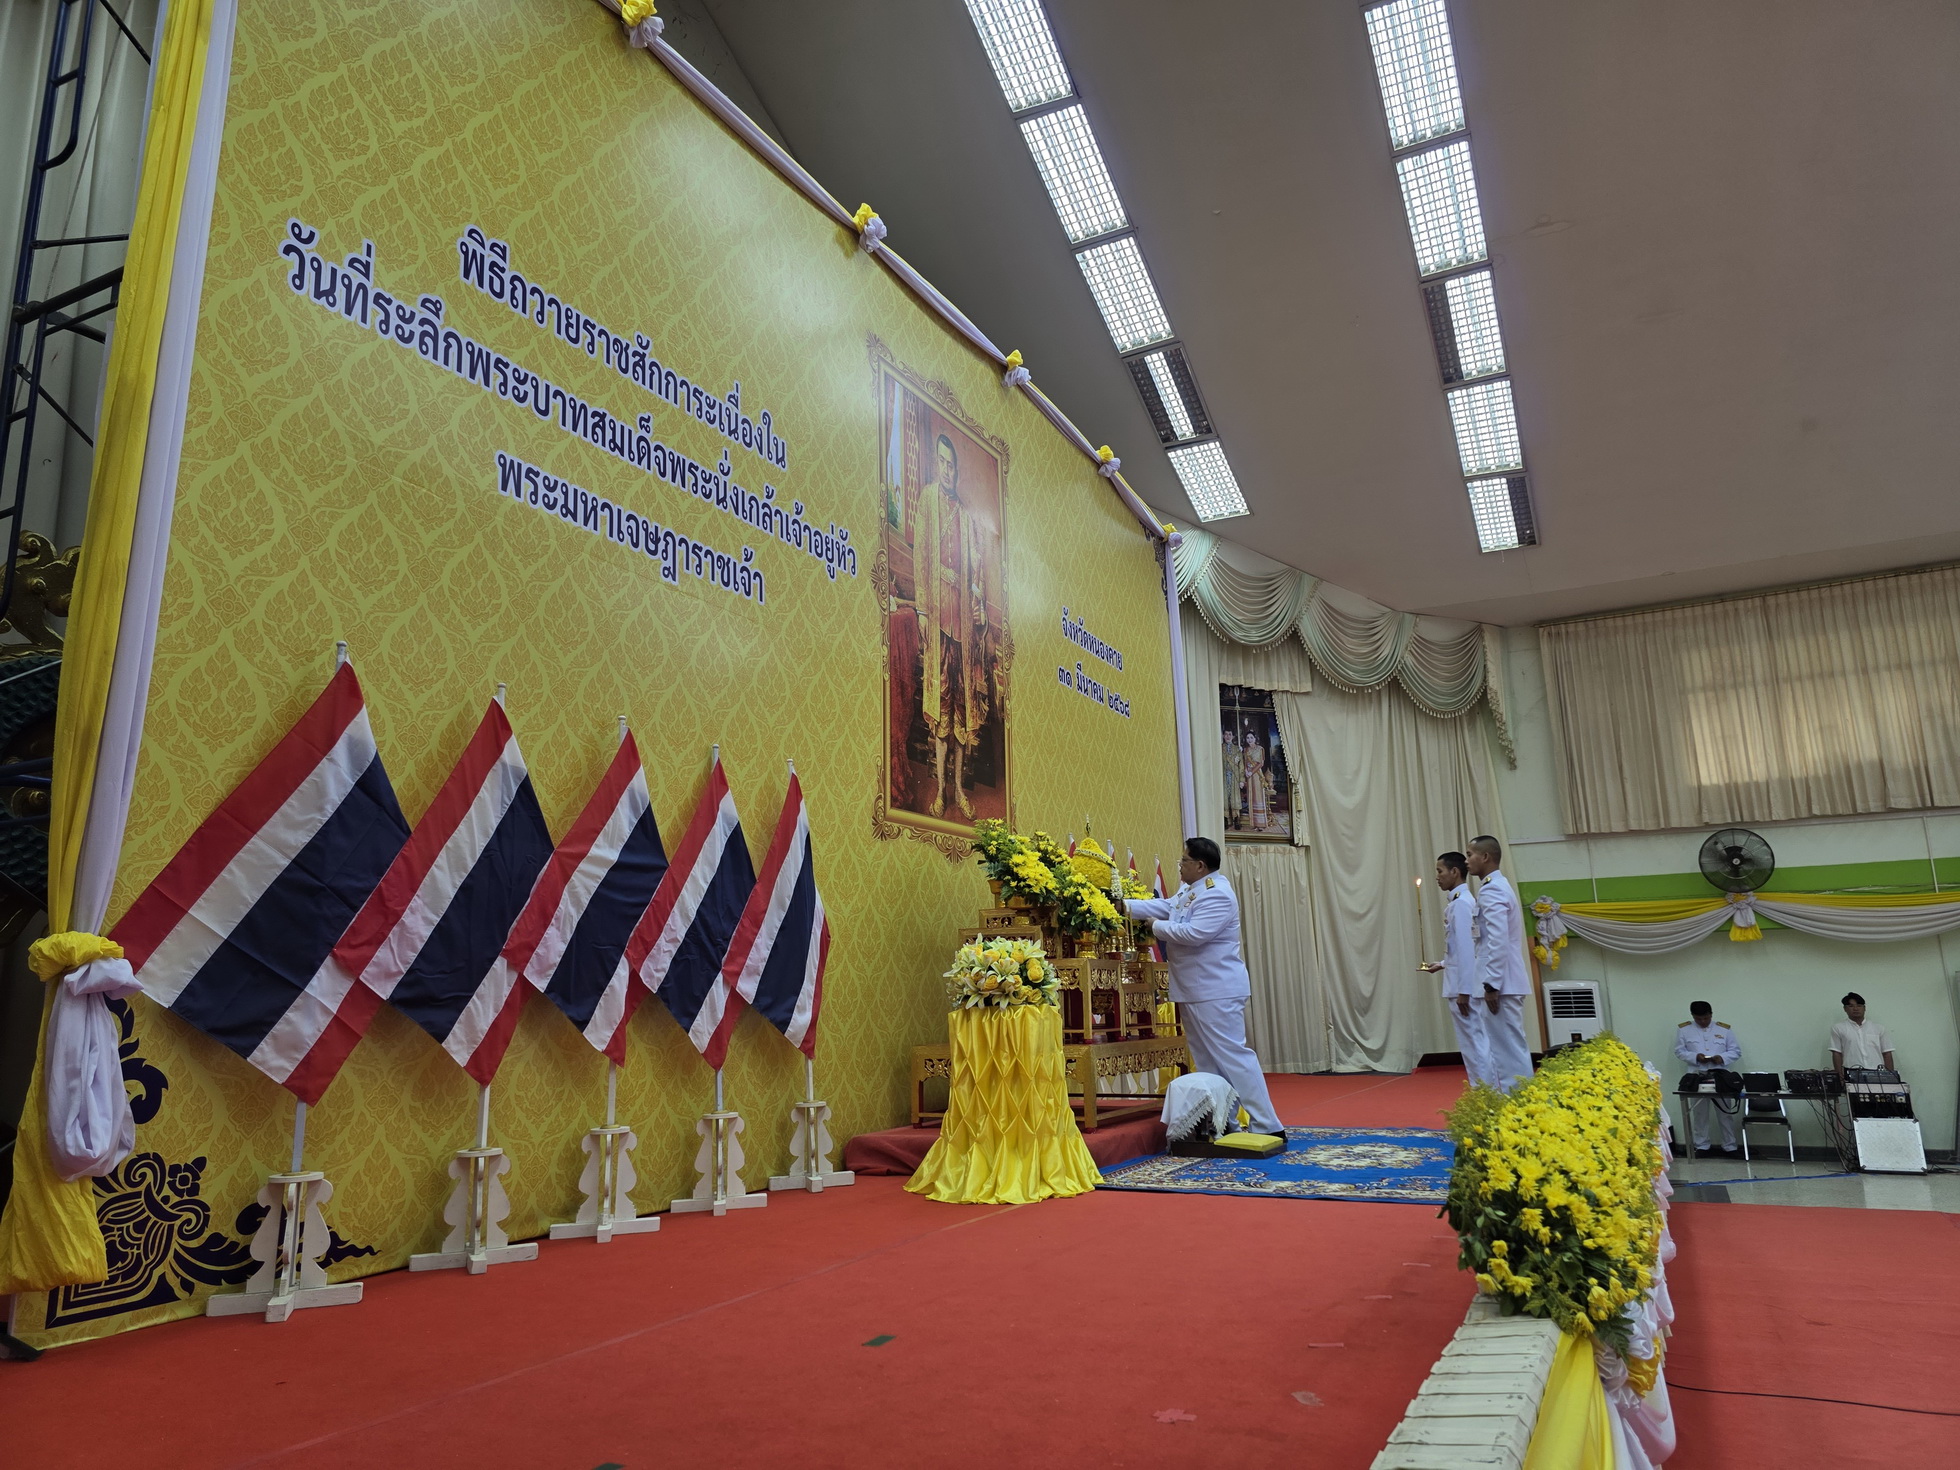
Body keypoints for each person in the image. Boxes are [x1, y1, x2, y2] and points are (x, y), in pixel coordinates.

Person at [1124, 837, 1284, 1137]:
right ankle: (1226, 1122)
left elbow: (1195, 934)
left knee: (1233, 1058)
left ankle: (1267, 1125)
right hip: (1194, 989)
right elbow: (1167, 906)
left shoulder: (1217, 894)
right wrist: (1124, 906)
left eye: (1184, 861)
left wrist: (1154, 926)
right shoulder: (1192, 889)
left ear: (1200, 866)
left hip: (1216, 989)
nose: (1180, 865)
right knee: (1208, 1062)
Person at [915, 433, 991, 819]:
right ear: (936, 463)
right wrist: (922, 610)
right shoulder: (927, 500)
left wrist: (980, 611)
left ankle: (959, 788)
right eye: (941, 463)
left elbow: (975, 574)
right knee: (940, 707)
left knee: (961, 711)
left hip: (962, 627)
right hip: (938, 620)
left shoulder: (965, 516)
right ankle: (940, 790)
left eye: (951, 465)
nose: (947, 470)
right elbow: (921, 558)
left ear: (957, 470)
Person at [1467, 835, 1534, 1092]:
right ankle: (1517, 1101)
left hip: (1500, 983)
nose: (1466, 860)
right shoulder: (1496, 886)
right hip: (1503, 981)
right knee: (1506, 1049)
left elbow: (1498, 939)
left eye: (1470, 854)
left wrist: (1492, 983)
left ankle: (1519, 1105)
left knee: (1508, 1052)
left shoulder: (1492, 889)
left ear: (1485, 857)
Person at [1420, 852, 1489, 1087]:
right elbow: (1458, 950)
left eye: (1440, 871)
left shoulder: (1460, 904)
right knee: (1472, 1042)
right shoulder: (1459, 902)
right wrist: (1442, 964)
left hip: (1463, 987)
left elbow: (1467, 948)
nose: (1437, 877)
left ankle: (1485, 1091)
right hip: (1460, 981)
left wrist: (1464, 990)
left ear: (1455, 872)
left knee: (1474, 1043)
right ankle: (1483, 1090)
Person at [1674, 1001, 1742, 1154]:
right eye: (1698, 1019)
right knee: (1700, 1114)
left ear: (1711, 1014)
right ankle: (1702, 1146)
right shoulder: (1684, 1030)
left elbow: (1736, 1051)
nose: (1703, 1022)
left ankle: (1730, 1147)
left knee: (1725, 1113)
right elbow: (1679, 1051)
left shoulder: (1723, 1029)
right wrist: (1695, 1057)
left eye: (1706, 1018)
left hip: (1721, 1076)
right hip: (1696, 1076)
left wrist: (1722, 1058)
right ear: (1692, 1016)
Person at [1830, 992, 1895, 1075]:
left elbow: (1887, 1053)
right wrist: (1839, 1075)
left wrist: (1891, 1076)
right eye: (1851, 1006)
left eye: (1859, 1005)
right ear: (1845, 1009)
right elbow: (1837, 1053)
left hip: (1877, 1072)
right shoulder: (1838, 1028)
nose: (1855, 1009)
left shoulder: (1878, 1028)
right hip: (1851, 1072)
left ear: (1864, 1008)